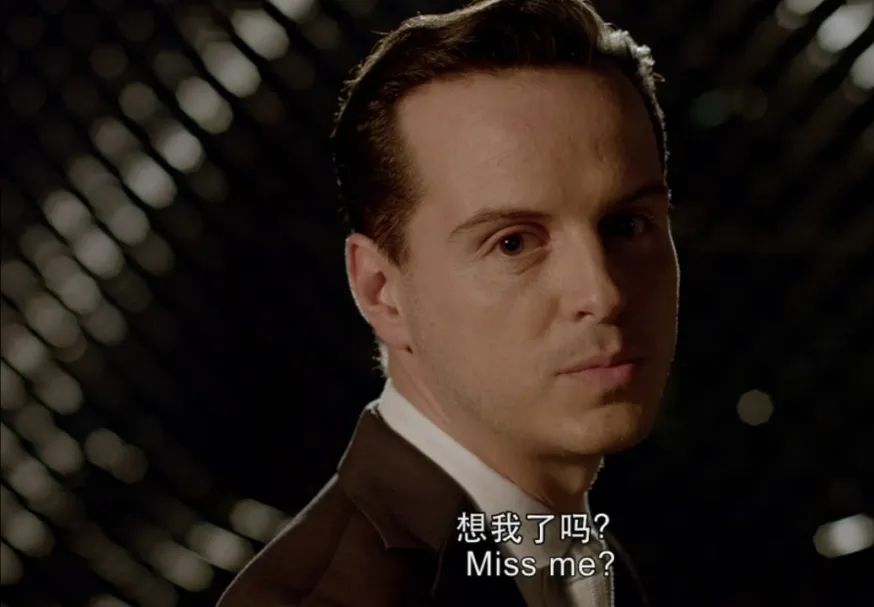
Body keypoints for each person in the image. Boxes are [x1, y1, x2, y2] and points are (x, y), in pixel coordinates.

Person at [218, 0, 679, 604]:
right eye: (513, 243)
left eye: (627, 225)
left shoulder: (571, 552)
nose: (603, 293)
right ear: (380, 292)